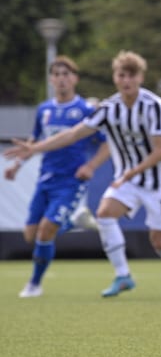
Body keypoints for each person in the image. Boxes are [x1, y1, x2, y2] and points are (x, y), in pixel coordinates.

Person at [5, 51, 161, 300]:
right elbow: (72, 134)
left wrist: (129, 174)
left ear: (141, 77)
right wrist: (34, 148)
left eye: (131, 75)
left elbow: (160, 151)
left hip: (159, 181)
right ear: (115, 77)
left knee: (160, 242)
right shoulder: (108, 108)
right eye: (121, 75)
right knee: (104, 213)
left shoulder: (153, 105)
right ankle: (123, 275)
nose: (126, 80)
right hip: (127, 178)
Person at [3, 56, 109, 298]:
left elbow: (107, 145)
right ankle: (73, 223)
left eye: (66, 74)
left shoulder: (84, 110)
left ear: (75, 79)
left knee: (45, 230)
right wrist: (17, 165)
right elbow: (34, 143)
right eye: (57, 74)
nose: (61, 79)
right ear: (51, 79)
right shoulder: (44, 109)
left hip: (71, 181)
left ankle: (34, 285)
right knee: (31, 235)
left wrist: (91, 166)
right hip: (45, 180)